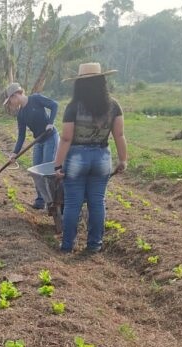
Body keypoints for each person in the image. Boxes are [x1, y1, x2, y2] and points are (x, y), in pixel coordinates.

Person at [53, 63, 128, 254]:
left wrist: (58, 165)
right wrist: (122, 160)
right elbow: (119, 135)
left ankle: (67, 245)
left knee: (73, 203)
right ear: (102, 81)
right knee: (97, 202)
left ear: (79, 84)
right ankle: (94, 245)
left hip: (77, 157)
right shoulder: (113, 106)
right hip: (102, 157)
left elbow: (67, 138)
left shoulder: (73, 107)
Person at [3, 82, 59, 210]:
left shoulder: (36, 99)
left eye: (10, 101)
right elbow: (21, 136)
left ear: (15, 96)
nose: (10, 104)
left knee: (47, 170)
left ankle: (52, 201)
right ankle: (40, 200)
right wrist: (15, 153)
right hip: (38, 141)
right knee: (36, 171)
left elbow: (54, 105)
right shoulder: (21, 115)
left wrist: (51, 123)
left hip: (50, 138)